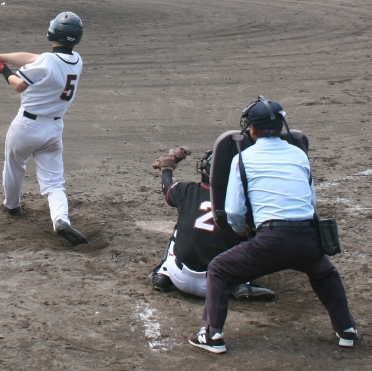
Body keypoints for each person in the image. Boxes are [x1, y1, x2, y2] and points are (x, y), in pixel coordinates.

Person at [188, 97, 356, 354]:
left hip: (271, 241)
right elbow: (310, 200)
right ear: (281, 126)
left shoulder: (243, 158)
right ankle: (346, 330)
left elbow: (233, 210)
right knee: (324, 272)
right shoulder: (299, 153)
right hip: (310, 239)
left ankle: (213, 335)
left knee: (219, 269)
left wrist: (241, 230)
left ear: (251, 129)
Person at [0, 12, 87, 246]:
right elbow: (31, 58)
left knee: (15, 166)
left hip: (26, 127)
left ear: (53, 33)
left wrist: (3, 70)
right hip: (54, 129)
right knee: (54, 182)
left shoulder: (47, 61)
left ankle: (12, 206)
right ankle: (60, 218)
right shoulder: (76, 60)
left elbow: (18, 84)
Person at [148, 146, 275, 300]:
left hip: (179, 278)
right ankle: (241, 283)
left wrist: (167, 167)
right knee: (251, 233)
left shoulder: (186, 190)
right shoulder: (243, 201)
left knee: (179, 229)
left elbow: (167, 187)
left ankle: (163, 273)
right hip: (219, 283)